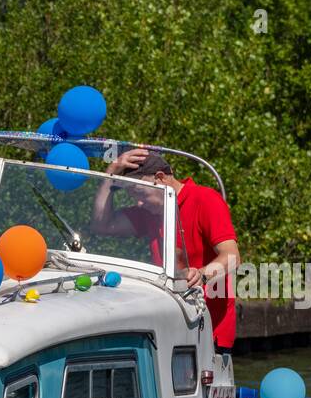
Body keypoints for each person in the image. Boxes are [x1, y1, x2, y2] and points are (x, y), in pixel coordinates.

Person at [90, 148, 241, 352]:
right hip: (168, 322)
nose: (139, 203)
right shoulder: (150, 211)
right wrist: (110, 173)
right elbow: (101, 225)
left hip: (209, 329)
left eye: (140, 194)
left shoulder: (205, 199)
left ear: (160, 178)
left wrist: (202, 275)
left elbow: (232, 256)